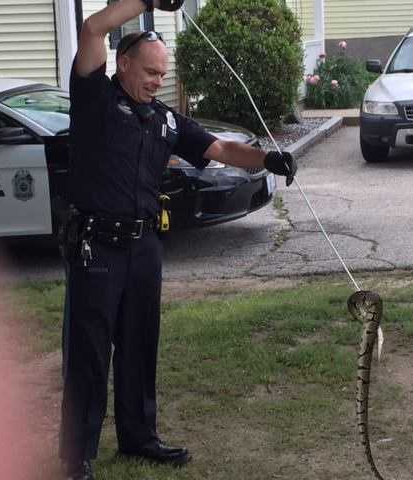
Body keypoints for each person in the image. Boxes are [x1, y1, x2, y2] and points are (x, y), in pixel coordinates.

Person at [59, 1, 297, 479]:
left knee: (139, 342)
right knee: (88, 351)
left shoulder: (163, 119)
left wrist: (268, 159)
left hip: (144, 246)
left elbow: (221, 148)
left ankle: (139, 437)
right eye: (149, 72)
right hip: (97, 246)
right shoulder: (94, 99)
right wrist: (145, 3)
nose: (156, 81)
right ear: (122, 63)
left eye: (162, 74)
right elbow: (91, 26)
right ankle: (76, 457)